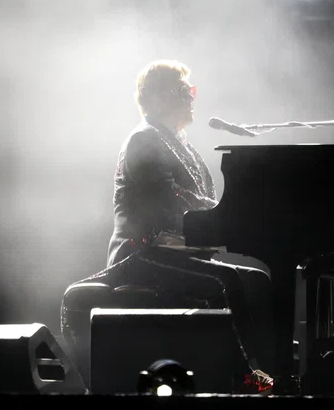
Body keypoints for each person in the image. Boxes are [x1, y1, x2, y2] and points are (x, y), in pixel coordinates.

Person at [88, 60, 274, 393]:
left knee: (257, 279)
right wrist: (220, 216)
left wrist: (224, 215)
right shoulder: (143, 140)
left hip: (172, 253)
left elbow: (200, 198)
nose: (191, 98)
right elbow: (167, 202)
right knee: (226, 279)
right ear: (156, 98)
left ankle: (268, 370)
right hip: (140, 254)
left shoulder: (178, 142)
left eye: (191, 91)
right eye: (183, 91)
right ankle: (249, 376)